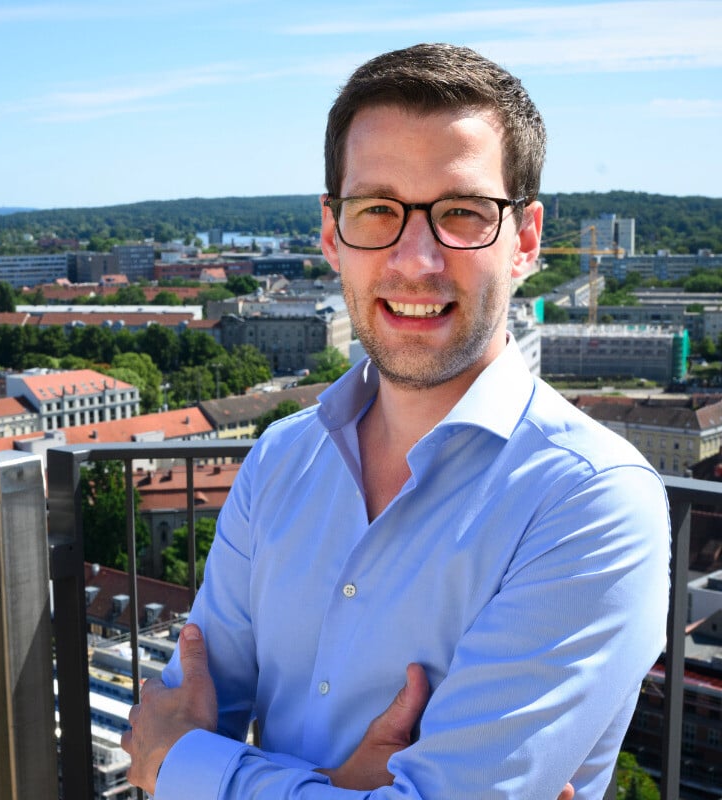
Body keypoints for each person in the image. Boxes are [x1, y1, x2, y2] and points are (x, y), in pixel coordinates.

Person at [121, 42, 670, 799]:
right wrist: (338, 785)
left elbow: (168, 756)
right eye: (378, 209)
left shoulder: (590, 503)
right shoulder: (281, 460)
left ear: (527, 240)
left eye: (461, 214)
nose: (416, 259)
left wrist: (192, 770)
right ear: (330, 233)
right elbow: (174, 723)